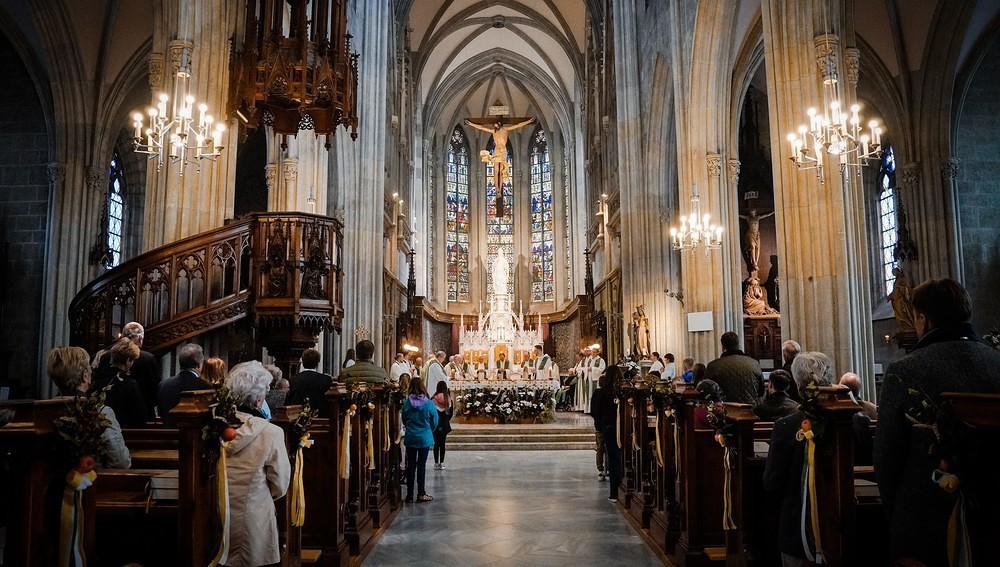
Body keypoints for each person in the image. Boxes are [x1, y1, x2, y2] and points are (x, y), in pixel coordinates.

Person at [875, 279, 1000, 565]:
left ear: (923, 319)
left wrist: (897, 514)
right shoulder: (996, 363)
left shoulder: (905, 370)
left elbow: (886, 456)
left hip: (925, 521)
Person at [762, 351, 835, 566]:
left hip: (798, 528)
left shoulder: (787, 426)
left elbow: (772, 481)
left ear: (798, 383)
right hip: (852, 530)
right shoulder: (857, 421)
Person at [223, 361, 291, 567]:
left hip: (215, 517)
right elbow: (280, 483)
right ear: (260, 399)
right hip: (254, 519)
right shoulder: (271, 433)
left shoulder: (214, 427)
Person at [47, 346, 131, 469]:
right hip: (91, 478)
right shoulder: (99, 412)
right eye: (90, 369)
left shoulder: (45, 412)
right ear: (85, 376)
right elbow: (120, 462)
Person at [89, 338, 147, 428]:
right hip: (121, 429)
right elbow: (139, 416)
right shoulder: (129, 384)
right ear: (128, 360)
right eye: (132, 361)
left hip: (95, 427)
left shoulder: (97, 378)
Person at [157, 343, 212, 427]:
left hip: (168, 432)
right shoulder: (205, 387)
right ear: (198, 364)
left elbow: (161, 412)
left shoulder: (163, 385)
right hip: (194, 434)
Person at [402, 376, 438, 503]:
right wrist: (428, 430)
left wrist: (411, 428)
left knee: (410, 466)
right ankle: (421, 493)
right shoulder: (429, 403)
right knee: (421, 465)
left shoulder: (407, 403)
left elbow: (404, 419)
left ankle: (409, 495)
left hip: (411, 437)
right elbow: (435, 420)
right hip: (424, 438)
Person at [703, 331, 764, 404]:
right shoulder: (754, 363)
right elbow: (761, 391)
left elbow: (705, 390)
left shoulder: (713, 366)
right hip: (750, 408)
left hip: (726, 408)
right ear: (738, 344)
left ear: (723, 347)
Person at [590, 365, 622, 502]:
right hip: (621, 427)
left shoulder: (600, 392)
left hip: (607, 427)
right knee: (621, 458)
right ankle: (623, 489)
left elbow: (594, 411)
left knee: (613, 458)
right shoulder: (621, 392)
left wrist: (601, 424)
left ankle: (614, 493)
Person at [117, 322, 161, 422]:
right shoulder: (147, 359)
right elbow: (155, 387)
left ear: (122, 337)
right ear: (140, 338)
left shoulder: (106, 356)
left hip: (114, 412)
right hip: (142, 414)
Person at [286, 348, 335, 417]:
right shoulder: (326, 379)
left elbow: (289, 401)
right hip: (320, 417)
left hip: (298, 417)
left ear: (303, 363)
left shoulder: (293, 379)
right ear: (317, 363)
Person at [431, 381, 453, 470]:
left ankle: (436, 463)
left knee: (436, 443)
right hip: (444, 423)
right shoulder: (448, 399)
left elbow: (431, 412)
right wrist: (446, 420)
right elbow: (451, 413)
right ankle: (442, 463)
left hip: (436, 424)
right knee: (442, 443)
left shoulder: (433, 399)